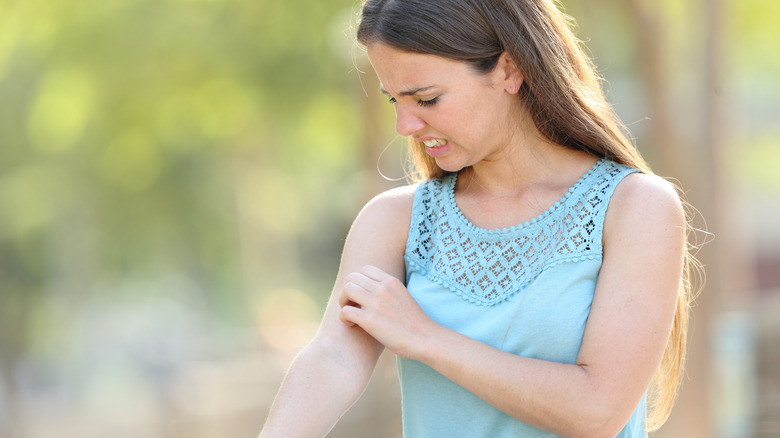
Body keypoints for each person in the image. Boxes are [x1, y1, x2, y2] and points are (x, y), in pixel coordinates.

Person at [260, 0, 697, 436]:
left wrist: (427, 338)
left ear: (509, 69)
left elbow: (597, 411)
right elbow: (333, 358)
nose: (404, 124)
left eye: (426, 98)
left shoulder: (634, 207)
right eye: (394, 99)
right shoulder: (395, 221)